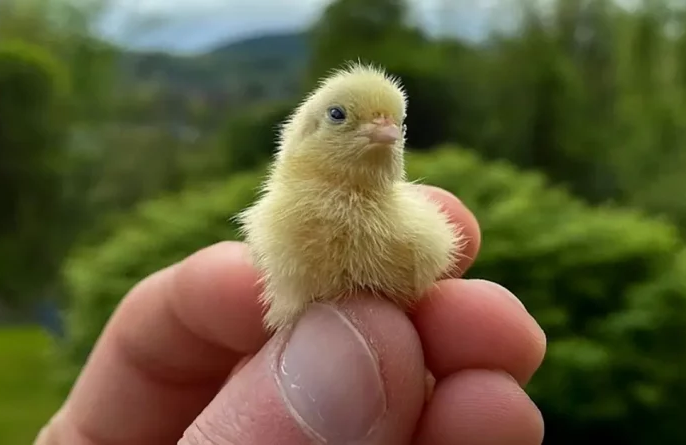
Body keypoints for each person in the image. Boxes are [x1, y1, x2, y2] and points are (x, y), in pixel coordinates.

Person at [34, 186, 547, 445]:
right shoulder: (292, 212)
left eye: (395, 122)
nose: (384, 131)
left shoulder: (404, 221)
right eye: (346, 117)